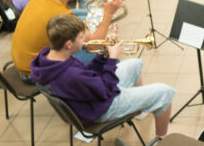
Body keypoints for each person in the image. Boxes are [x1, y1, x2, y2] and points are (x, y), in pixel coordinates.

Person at [30, 13, 174, 137]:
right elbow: (104, 89)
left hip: (91, 97)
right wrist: (111, 60)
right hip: (100, 108)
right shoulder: (70, 75)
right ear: (68, 44)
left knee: (135, 64)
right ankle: (160, 142)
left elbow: (87, 74)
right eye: (81, 38)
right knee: (164, 92)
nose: (86, 40)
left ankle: (142, 108)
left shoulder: (50, 58)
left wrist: (103, 56)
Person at [11, 0, 122, 76]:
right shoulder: (61, 13)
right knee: (107, 57)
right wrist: (108, 14)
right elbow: (93, 46)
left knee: (84, 18)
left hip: (22, 60)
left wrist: (83, 26)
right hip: (35, 70)